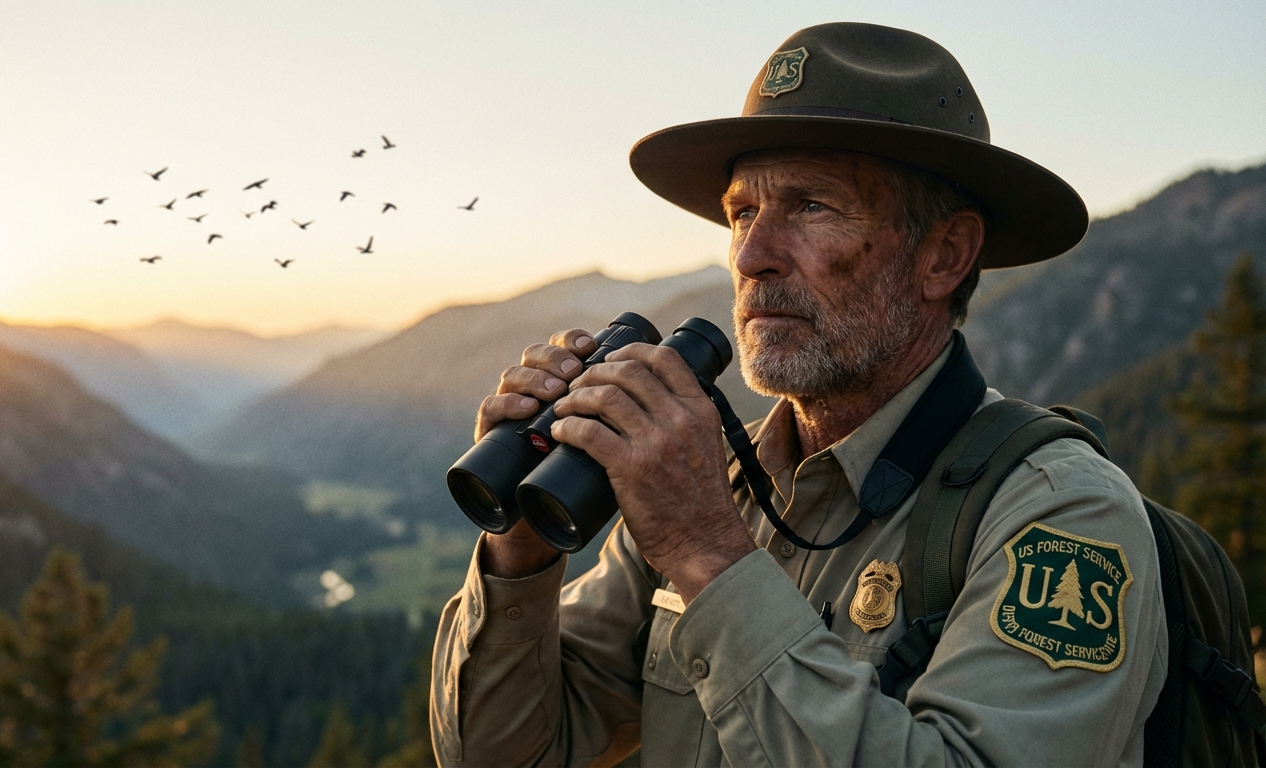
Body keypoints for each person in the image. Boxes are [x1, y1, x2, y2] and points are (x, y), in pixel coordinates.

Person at [430, 22, 1167, 766]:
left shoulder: (1060, 511)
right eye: (742, 213)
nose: (751, 257)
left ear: (944, 255)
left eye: (812, 205)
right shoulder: (713, 479)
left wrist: (708, 554)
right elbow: (496, 753)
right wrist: (518, 541)